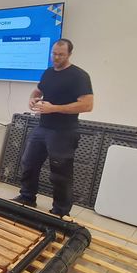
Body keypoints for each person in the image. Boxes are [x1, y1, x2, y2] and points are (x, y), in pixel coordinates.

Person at [12, 39, 93, 216]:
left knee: (60, 174)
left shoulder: (79, 76)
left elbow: (87, 105)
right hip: (43, 128)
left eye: (61, 55)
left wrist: (54, 108)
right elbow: (38, 90)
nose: (56, 58)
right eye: (54, 54)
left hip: (64, 132)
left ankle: (60, 211)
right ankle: (27, 197)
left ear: (69, 54)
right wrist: (32, 99)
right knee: (29, 163)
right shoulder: (48, 73)